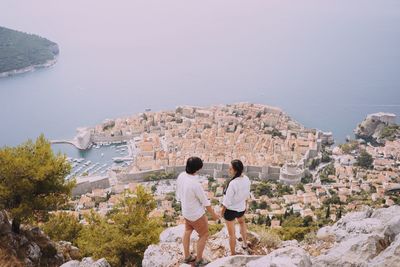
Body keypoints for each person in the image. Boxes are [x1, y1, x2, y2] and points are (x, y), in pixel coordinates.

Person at [176, 157, 220, 267]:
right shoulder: (195, 184)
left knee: (187, 231)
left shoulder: (181, 176)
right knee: (204, 234)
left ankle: (186, 256)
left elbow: (179, 193)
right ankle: (199, 260)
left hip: (186, 211)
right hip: (196, 214)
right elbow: (206, 202)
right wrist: (214, 215)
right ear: (197, 169)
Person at [220, 159, 251, 255]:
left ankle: (233, 254)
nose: (228, 170)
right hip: (241, 208)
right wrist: (245, 206)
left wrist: (222, 212)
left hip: (230, 211)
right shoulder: (246, 179)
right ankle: (245, 243)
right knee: (242, 224)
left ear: (235, 170)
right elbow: (247, 194)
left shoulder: (232, 183)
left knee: (232, 234)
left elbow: (227, 201)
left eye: (230, 169)